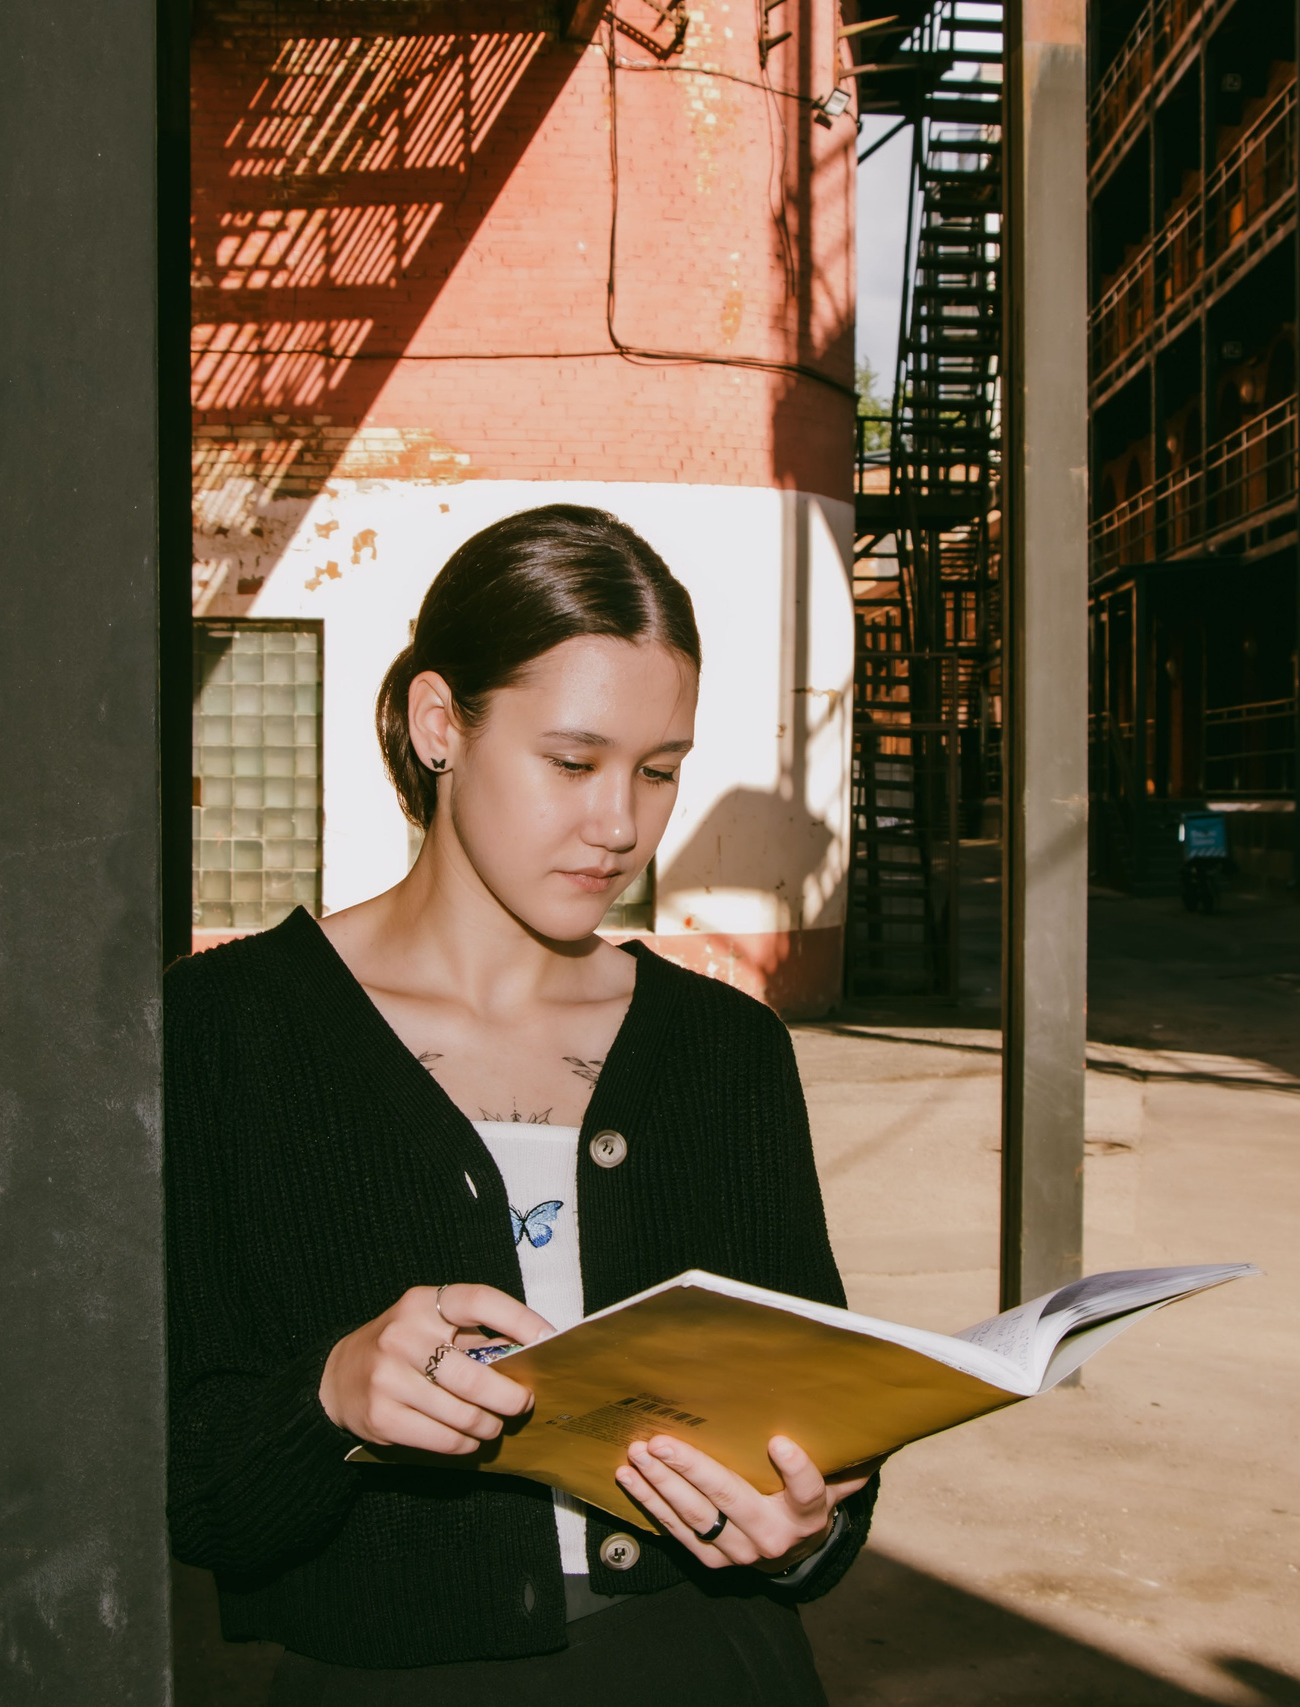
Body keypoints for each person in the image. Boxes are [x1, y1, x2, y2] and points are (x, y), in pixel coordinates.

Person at [165, 505, 877, 1705]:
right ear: (438, 721)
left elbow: (822, 1431)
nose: (620, 825)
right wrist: (332, 1397)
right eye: (572, 761)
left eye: (659, 772)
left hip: (713, 1664)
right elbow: (196, 1490)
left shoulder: (725, 1051)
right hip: (384, 1681)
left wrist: (805, 1530)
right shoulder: (226, 1030)